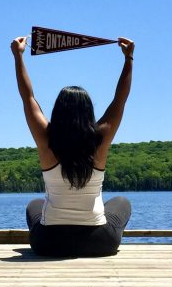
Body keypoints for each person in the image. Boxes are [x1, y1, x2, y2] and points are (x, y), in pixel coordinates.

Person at [10, 34, 134, 257]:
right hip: (99, 242)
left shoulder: (47, 139)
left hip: (48, 243)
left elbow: (27, 97)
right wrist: (129, 58)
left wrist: (18, 57)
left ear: (58, 111)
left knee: (34, 204)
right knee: (122, 202)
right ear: (89, 112)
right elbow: (120, 99)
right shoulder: (100, 139)